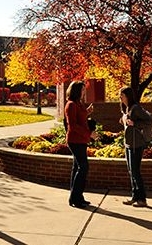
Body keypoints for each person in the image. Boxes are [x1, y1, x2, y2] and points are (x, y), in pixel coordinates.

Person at [64, 80, 96, 208]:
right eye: (82, 90)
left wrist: (87, 112)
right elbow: (73, 126)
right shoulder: (71, 104)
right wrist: (89, 134)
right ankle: (75, 198)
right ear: (76, 91)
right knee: (83, 167)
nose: (84, 92)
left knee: (77, 168)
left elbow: (79, 118)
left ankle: (76, 196)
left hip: (81, 140)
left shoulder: (78, 104)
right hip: (75, 140)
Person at [119, 87, 152, 207]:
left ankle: (142, 199)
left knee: (135, 171)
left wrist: (135, 124)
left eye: (122, 95)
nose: (120, 98)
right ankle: (134, 196)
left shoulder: (136, 108)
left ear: (128, 96)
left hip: (136, 144)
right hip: (128, 143)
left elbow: (149, 121)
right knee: (131, 171)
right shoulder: (127, 109)